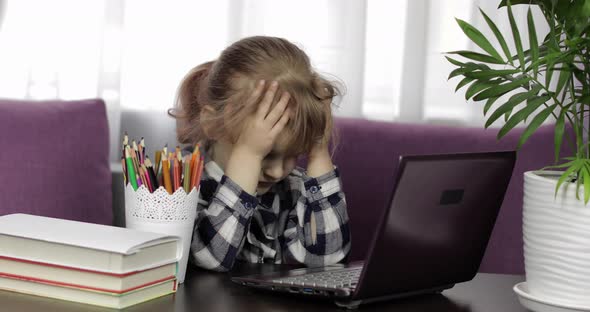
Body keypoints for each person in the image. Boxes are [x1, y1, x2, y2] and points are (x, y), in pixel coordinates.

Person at [169, 36, 350, 272]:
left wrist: (318, 152)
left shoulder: (293, 186)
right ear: (212, 124)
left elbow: (327, 257)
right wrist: (248, 156)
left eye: (294, 154)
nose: (277, 171)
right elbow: (209, 258)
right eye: (265, 155)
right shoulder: (183, 180)